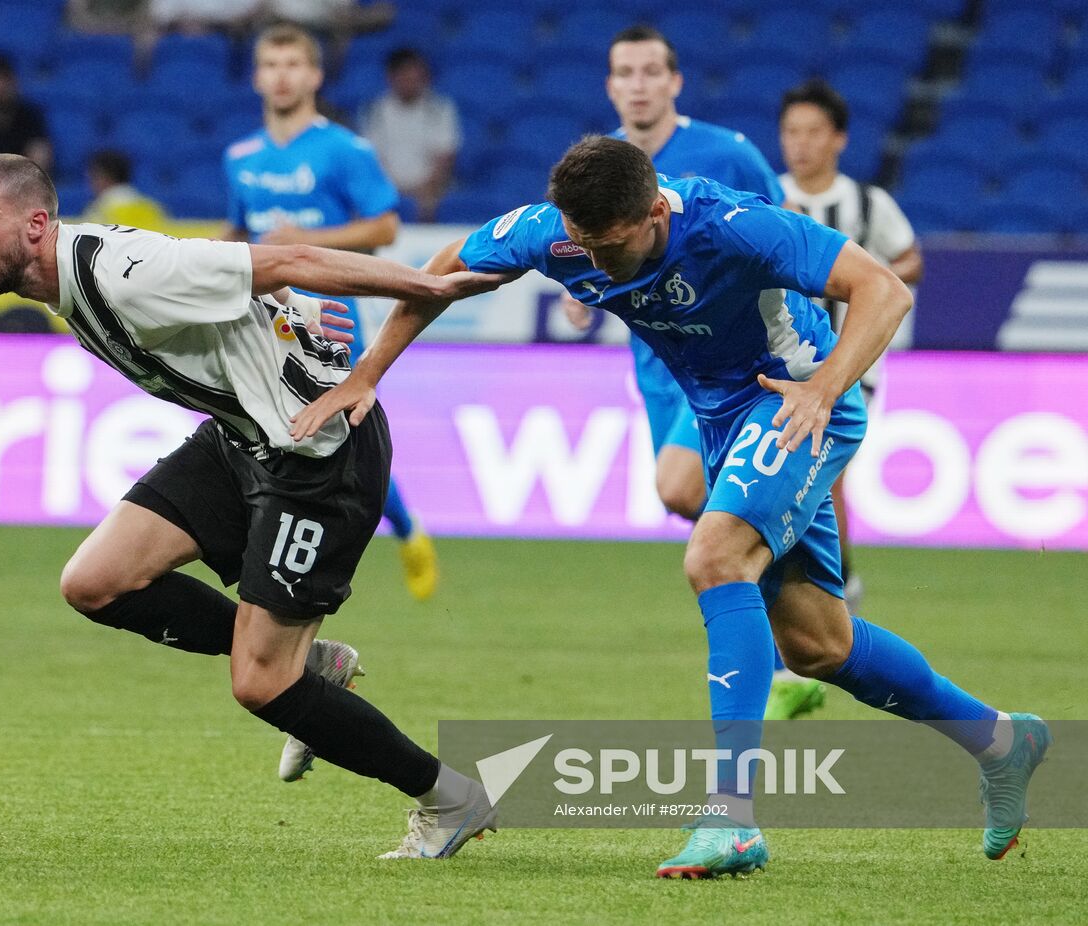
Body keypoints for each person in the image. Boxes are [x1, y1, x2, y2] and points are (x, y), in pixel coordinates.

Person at [290, 135, 1049, 878]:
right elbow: (445, 271)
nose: (592, 262)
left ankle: (731, 819)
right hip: (722, 421)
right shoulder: (553, 235)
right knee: (818, 646)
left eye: (609, 247)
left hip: (794, 403)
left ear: (654, 211)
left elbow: (885, 288)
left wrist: (825, 387)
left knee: (714, 557)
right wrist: (367, 375)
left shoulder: (733, 227)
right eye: (582, 245)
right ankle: (1000, 741)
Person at [0, 153, 507, 859]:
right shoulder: (66, 277)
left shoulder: (125, 272)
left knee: (259, 683)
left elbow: (289, 258)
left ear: (35, 225)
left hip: (317, 455)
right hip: (240, 442)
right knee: (95, 583)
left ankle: (448, 797)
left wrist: (428, 285)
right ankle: (315, 665)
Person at [567, 25, 821, 722]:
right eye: (627, 72)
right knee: (694, 506)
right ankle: (783, 656)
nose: (640, 83)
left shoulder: (726, 153)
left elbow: (786, 229)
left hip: (732, 357)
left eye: (653, 71)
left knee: (681, 488)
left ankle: (783, 627)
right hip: (658, 364)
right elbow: (579, 250)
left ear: (675, 82)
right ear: (610, 85)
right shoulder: (597, 165)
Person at [222, 24, 438, 622]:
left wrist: (305, 243)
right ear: (257, 75)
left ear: (315, 75)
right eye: (272, 63)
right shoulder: (239, 157)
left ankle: (402, 525)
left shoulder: (345, 150)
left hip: (334, 317)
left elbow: (386, 227)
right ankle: (276, 547)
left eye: (295, 63)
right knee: (267, 433)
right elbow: (239, 234)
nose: (283, 74)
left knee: (338, 437)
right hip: (265, 318)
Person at [778, 78, 924, 615]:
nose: (801, 143)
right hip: (775, 361)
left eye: (813, 131)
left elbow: (911, 262)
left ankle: (829, 581)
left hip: (849, 363)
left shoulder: (866, 202)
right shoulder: (766, 195)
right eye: (792, 131)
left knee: (821, 468)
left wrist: (862, 275)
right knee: (805, 473)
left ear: (838, 139)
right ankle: (822, 580)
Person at [360, 47, 461, 222]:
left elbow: (445, 157)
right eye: (404, 77)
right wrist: (392, 192)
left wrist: (425, 192)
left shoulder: (440, 109)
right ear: (391, 77)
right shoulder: (374, 111)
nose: (410, 82)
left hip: (430, 193)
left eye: (415, 77)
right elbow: (372, 158)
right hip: (386, 190)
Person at [81, 150, 169, 228]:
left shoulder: (99, 210)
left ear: (102, 176)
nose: (90, 183)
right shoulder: (152, 207)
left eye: (92, 177)